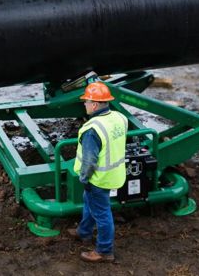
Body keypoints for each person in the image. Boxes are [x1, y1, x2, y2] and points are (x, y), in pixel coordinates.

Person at [70, 81, 128, 263]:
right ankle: (84, 232)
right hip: (115, 173)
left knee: (103, 214)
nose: (84, 105)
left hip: (98, 179)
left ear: (94, 104)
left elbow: (89, 161)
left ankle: (104, 251)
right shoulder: (120, 118)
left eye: (86, 101)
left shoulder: (92, 129)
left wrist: (84, 178)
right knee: (90, 202)